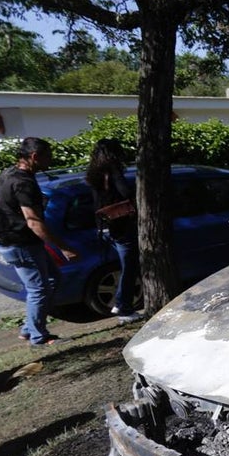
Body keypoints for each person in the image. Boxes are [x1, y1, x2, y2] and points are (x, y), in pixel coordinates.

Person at [0, 137, 79, 345]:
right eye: (47, 156)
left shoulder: (8, 173)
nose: (50, 160)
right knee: (38, 289)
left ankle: (28, 329)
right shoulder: (23, 183)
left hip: (13, 241)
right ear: (34, 157)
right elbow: (33, 221)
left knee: (52, 279)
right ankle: (39, 337)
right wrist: (63, 248)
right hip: (21, 244)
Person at [85, 138, 142, 323]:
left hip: (104, 225)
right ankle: (124, 308)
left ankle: (120, 302)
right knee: (130, 267)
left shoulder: (93, 173)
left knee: (123, 266)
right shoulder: (113, 169)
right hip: (120, 224)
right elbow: (124, 191)